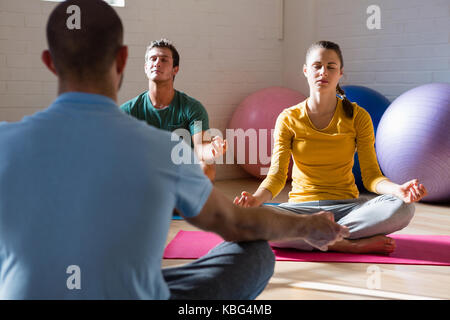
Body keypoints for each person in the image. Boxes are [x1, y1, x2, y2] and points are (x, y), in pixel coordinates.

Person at [0, 1, 348, 300]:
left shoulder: (5, 142)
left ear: (49, 62)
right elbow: (237, 223)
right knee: (255, 252)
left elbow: (201, 151)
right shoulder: (161, 149)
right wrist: (307, 226)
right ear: (123, 60)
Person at [234, 40, 428, 254]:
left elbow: (372, 176)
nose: (323, 72)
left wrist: (398, 190)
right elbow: (277, 177)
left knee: (402, 207)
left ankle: (317, 235)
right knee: (246, 217)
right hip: (301, 209)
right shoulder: (288, 118)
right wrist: (255, 199)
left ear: (340, 73)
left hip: (348, 208)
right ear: (306, 71)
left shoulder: (357, 116)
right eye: (317, 66)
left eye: (331, 66)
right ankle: (347, 244)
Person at [120, 38, 225, 182]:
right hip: (145, 173)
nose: (157, 63)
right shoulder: (128, 110)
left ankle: (183, 202)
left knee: (206, 168)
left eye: (164, 60)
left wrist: (212, 150)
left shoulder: (193, 108)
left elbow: (201, 147)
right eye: (153, 59)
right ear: (146, 67)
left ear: (175, 69)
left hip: (181, 174)